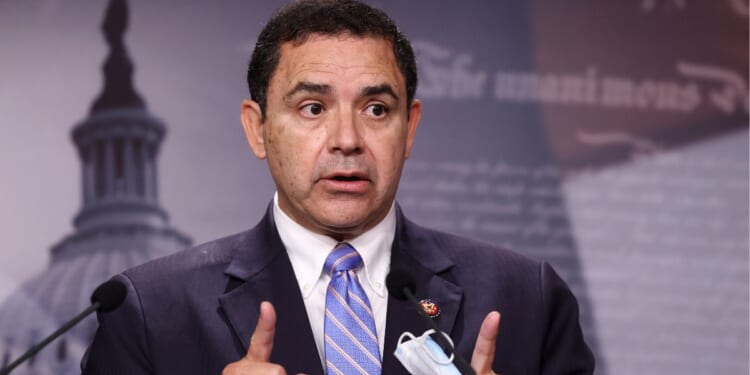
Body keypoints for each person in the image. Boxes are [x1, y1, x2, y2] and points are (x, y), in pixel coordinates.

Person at [82, 1, 595, 374]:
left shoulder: (527, 299)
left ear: (409, 128)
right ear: (257, 129)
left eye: (376, 109)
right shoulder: (149, 313)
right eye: (313, 108)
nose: (347, 140)